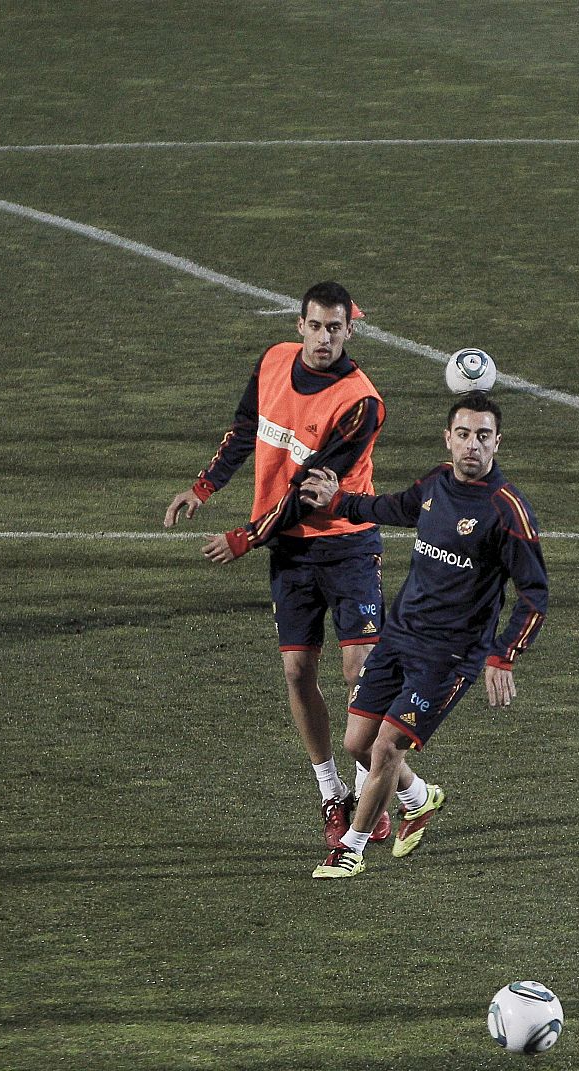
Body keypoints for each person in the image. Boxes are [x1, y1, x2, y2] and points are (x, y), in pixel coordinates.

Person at [163, 281, 393, 846]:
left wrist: (245, 537)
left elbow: (302, 496)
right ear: (299, 325)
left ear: (349, 330)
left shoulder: (361, 403)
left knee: (359, 670)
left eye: (334, 328)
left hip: (345, 543)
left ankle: (374, 790)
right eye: (314, 326)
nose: (323, 338)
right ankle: (331, 794)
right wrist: (204, 487)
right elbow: (245, 428)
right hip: (289, 552)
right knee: (297, 672)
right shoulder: (271, 362)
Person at [299, 393, 549, 879]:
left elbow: (534, 594)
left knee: (387, 746)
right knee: (358, 744)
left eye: (482, 436)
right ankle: (418, 796)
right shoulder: (436, 482)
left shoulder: (507, 510)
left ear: (498, 442)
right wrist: (341, 502)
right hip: (398, 638)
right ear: (448, 438)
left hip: (450, 656)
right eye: (463, 434)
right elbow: (395, 507)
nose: (471, 445)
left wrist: (504, 655)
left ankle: (350, 848)